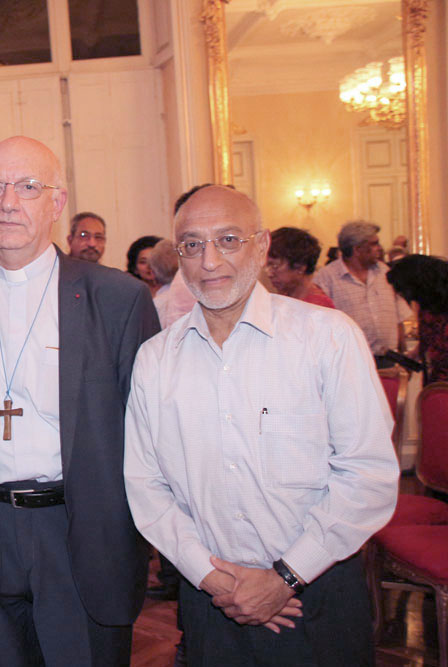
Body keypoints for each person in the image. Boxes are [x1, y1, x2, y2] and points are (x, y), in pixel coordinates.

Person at [124, 185, 400, 666]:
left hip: (315, 597)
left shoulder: (328, 339)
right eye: (192, 244)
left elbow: (366, 475)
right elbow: (146, 486)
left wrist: (284, 579)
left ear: (262, 244)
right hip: (210, 600)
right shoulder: (155, 360)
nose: (209, 260)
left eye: (228, 239)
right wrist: (214, 579)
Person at [0, 136, 159, 666]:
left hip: (83, 532)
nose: (8, 201)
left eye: (28, 187)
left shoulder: (119, 300)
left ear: (57, 203)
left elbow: (147, 427)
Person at [314, 220, 409, 366]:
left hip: (389, 360)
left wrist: (403, 357)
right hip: (350, 362)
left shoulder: (385, 272)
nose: (379, 248)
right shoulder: (327, 277)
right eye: (374, 244)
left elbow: (398, 317)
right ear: (357, 250)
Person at [387, 254, 448, 384]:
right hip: (437, 380)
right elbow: (431, 337)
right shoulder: (426, 304)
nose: (402, 295)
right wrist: (416, 353)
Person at [265, 227, 334, 308]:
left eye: (275, 266)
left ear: (300, 267)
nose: (269, 274)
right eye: (267, 266)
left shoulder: (317, 307)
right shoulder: (287, 295)